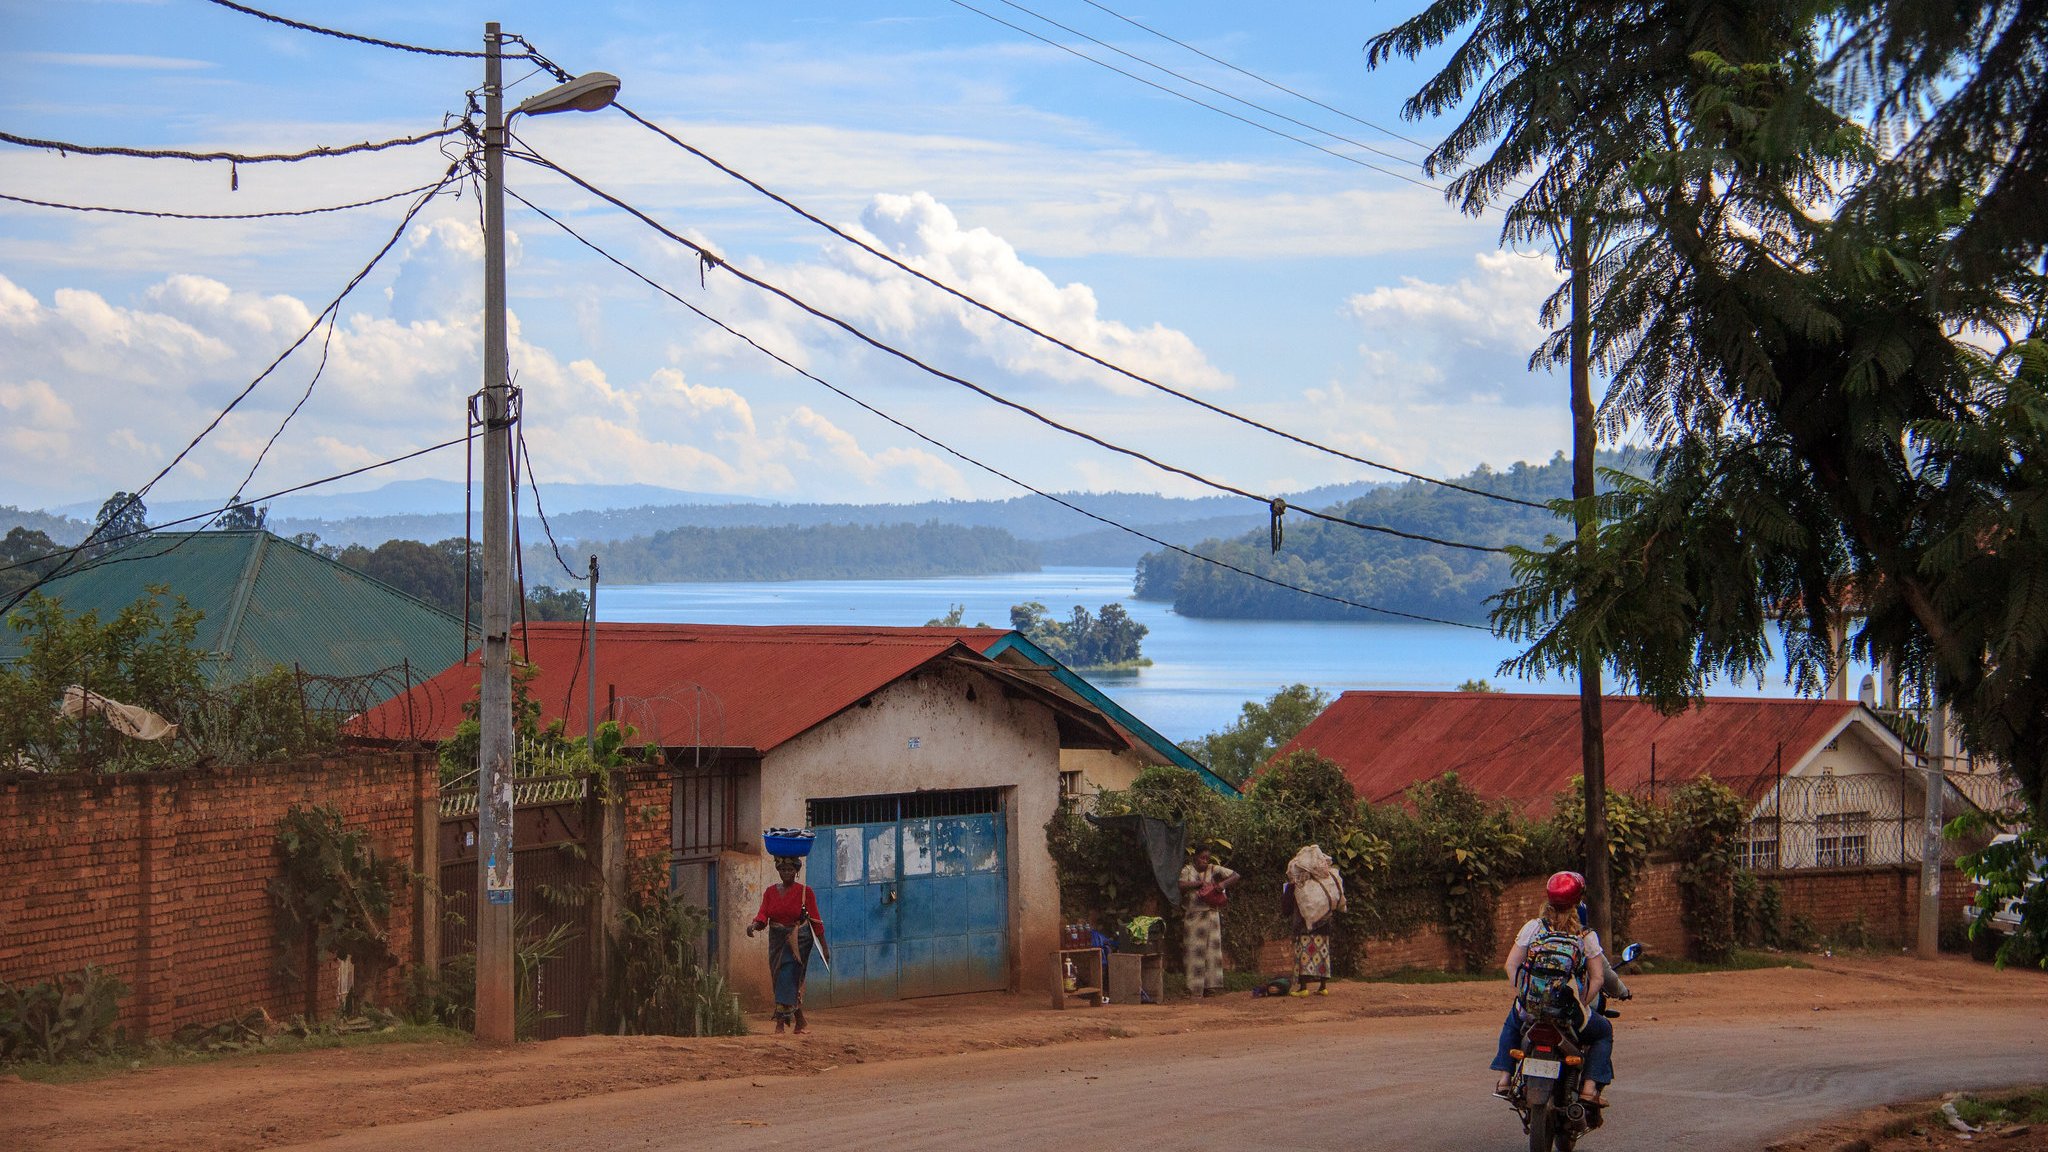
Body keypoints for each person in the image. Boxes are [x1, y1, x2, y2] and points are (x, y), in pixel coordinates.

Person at [1490, 871, 1615, 1109]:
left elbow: (1511, 965)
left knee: (1512, 1022)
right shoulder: (1586, 936)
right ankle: (1589, 1090)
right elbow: (1598, 979)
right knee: (1603, 1032)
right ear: (1578, 901)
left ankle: (1505, 1080)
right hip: (1569, 1013)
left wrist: (1524, 995)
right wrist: (1583, 1004)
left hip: (1532, 1009)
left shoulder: (1533, 928)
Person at [747, 854, 830, 1034]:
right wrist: (754, 925)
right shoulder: (770, 892)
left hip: (798, 939)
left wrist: (824, 946)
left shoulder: (805, 892)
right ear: (778, 870)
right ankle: (800, 1021)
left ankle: (780, 1023)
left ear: (796, 871)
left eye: (790, 870)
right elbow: (763, 915)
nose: (786, 873)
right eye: (783, 869)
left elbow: (816, 919)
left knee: (787, 974)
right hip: (777, 938)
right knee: (781, 978)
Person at [1281, 843, 1345, 996]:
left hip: (1304, 927)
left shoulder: (1296, 886)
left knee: (1303, 955)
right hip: (1324, 925)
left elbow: (1286, 908)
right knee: (1322, 955)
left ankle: (1303, 988)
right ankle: (1323, 987)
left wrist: (1289, 890)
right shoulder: (1325, 880)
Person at [1178, 845, 1239, 998]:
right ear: (1195, 857)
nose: (1204, 861)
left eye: (1207, 858)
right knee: (1193, 952)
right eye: (1202, 858)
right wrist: (1198, 884)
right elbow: (1181, 885)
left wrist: (1222, 885)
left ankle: (1211, 987)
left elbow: (1236, 875)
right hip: (1194, 916)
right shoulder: (1187, 870)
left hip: (1212, 916)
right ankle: (1193, 989)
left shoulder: (1213, 869)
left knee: (1212, 953)